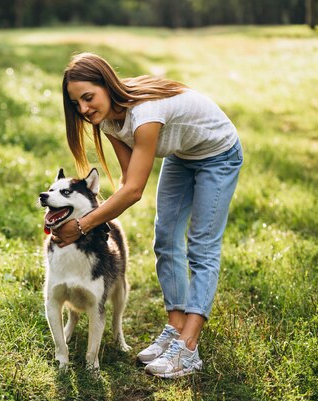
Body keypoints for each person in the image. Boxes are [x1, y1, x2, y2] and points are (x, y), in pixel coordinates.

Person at [52, 52, 243, 378]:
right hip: (183, 156)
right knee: (166, 237)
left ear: (107, 85)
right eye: (76, 104)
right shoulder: (109, 119)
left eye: (88, 97)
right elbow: (129, 180)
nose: (83, 109)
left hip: (218, 154)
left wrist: (82, 226)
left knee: (201, 245)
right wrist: (86, 224)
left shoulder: (145, 114)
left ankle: (189, 347)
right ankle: (175, 329)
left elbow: (134, 190)